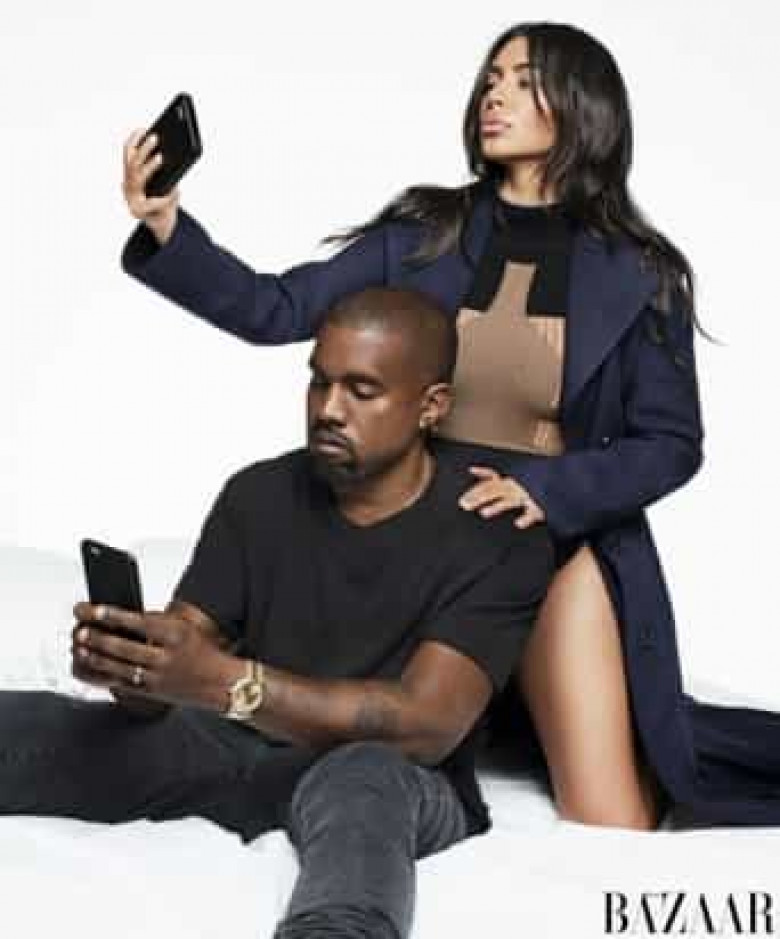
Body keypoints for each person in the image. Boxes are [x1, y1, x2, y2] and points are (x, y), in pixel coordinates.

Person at [120, 21, 780, 829]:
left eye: (523, 80)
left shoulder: (643, 272)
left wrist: (548, 492)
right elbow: (275, 307)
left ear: (583, 106)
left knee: (609, 816)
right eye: (491, 78)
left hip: (549, 536)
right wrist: (166, 227)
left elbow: (672, 443)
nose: (494, 95)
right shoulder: (423, 236)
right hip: (423, 536)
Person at [0, 287, 554, 939]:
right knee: (41, 719)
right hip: (231, 746)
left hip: (393, 774)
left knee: (365, 774)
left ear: (432, 406)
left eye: (362, 391)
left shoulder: (495, 533)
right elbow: (181, 665)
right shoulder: (259, 494)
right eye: (319, 382)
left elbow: (424, 725)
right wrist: (133, 666)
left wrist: (223, 682)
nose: (329, 409)